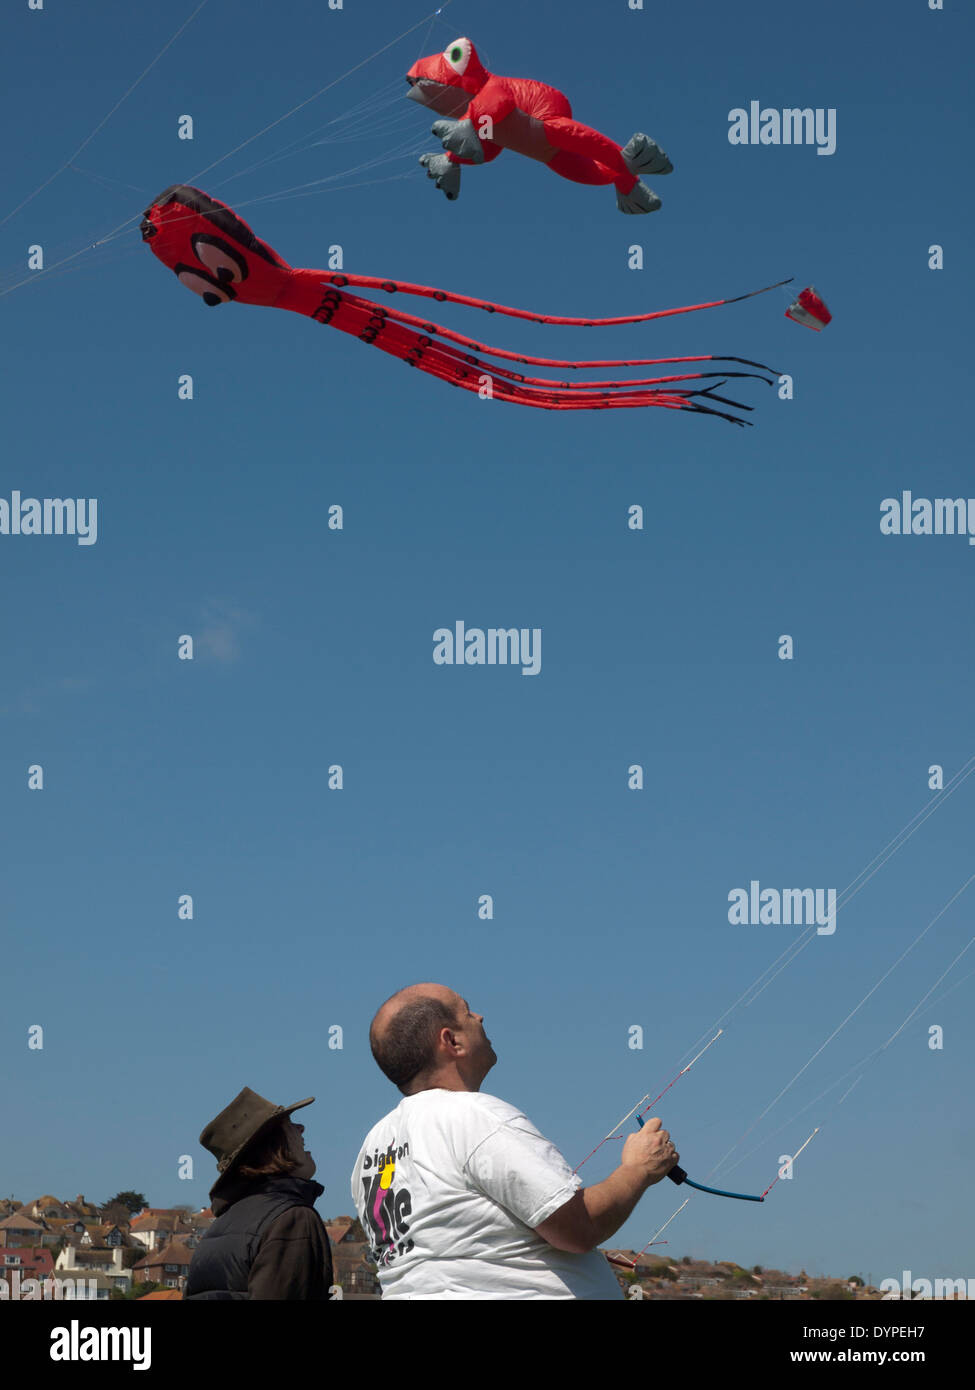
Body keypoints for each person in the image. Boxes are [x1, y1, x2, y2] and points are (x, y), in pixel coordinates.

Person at [351, 984, 679, 1299]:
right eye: (466, 1012)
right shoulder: (473, 1116)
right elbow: (579, 1227)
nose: (479, 1017)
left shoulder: (372, 1148)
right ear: (452, 1041)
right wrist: (639, 1168)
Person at [183, 1086, 333, 1300]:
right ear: (273, 1146)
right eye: (288, 1124)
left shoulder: (212, 1236)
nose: (301, 1128)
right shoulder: (292, 1219)